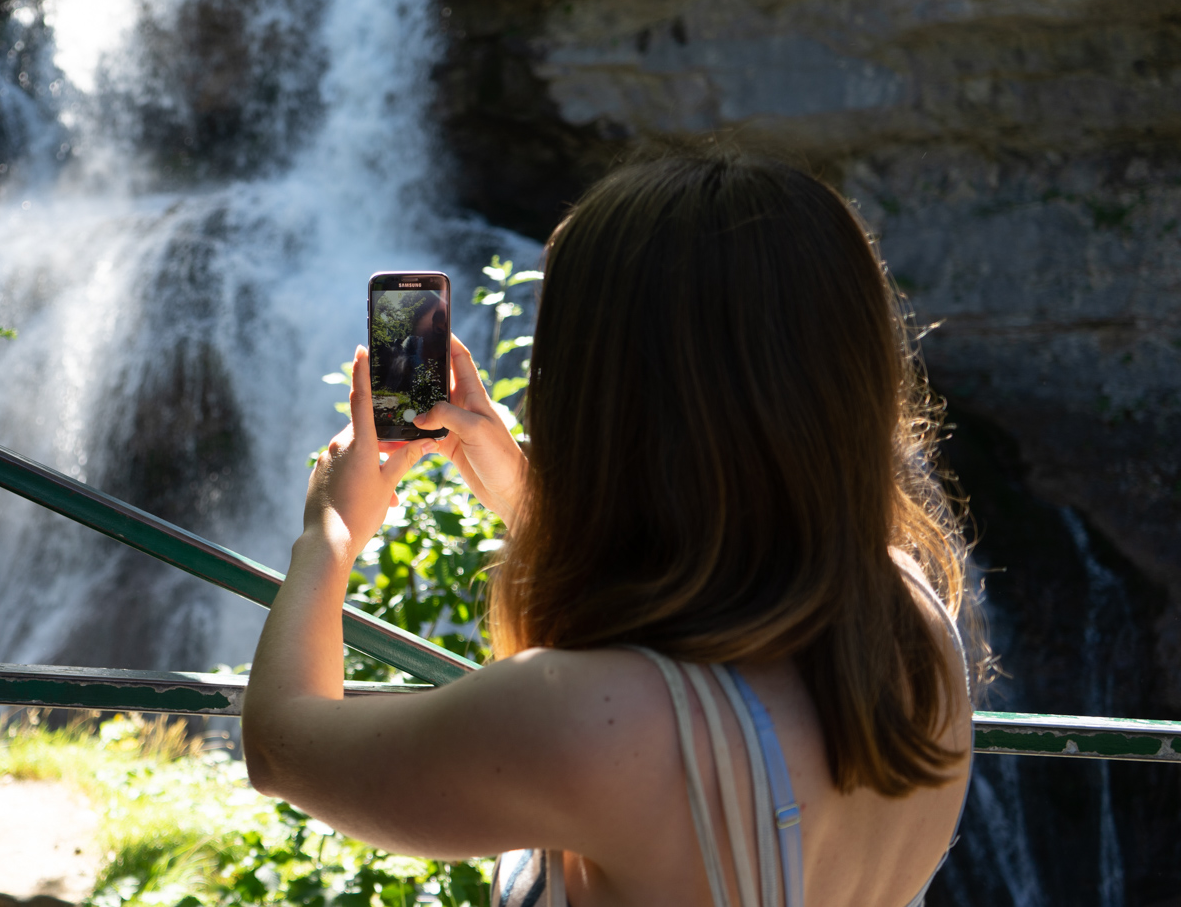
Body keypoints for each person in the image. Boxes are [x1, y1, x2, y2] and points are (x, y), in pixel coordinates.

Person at [242, 154, 974, 907]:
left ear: (599, 390)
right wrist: (529, 497)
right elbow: (724, 574)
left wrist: (329, 530)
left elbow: (281, 743)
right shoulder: (913, 622)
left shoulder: (586, 719)